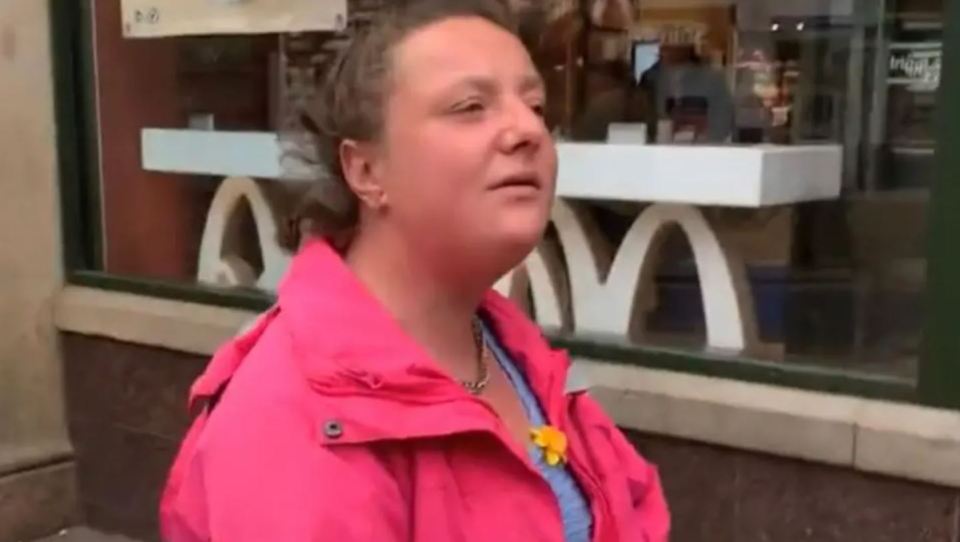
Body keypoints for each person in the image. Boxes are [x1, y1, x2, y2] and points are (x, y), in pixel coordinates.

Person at [160, 1, 670, 540]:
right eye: (471, 106)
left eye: (536, 106)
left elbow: (632, 509)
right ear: (365, 169)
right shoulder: (291, 420)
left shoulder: (518, 354)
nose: (528, 131)